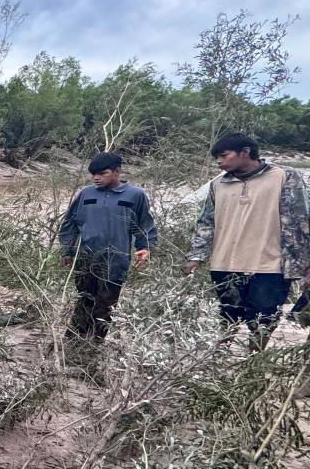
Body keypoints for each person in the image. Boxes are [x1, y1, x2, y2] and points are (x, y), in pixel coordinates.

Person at [186, 133, 310, 351]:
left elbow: (299, 221)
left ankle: (253, 364)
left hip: (269, 267)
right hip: (224, 264)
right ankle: (217, 362)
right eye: (217, 157)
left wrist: (304, 262)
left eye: (224, 155)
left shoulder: (284, 176)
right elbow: (206, 222)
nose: (219, 162)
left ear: (245, 152)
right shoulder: (218, 185)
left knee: (263, 321)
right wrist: (196, 256)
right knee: (227, 317)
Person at [57, 152, 157, 351]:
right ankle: (72, 338)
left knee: (106, 303)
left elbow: (144, 226)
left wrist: (144, 249)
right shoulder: (86, 194)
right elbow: (69, 224)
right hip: (85, 258)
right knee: (84, 297)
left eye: (102, 173)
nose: (96, 178)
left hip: (116, 260)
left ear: (117, 171)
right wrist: (67, 251)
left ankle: (95, 343)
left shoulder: (135, 195)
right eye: (93, 174)